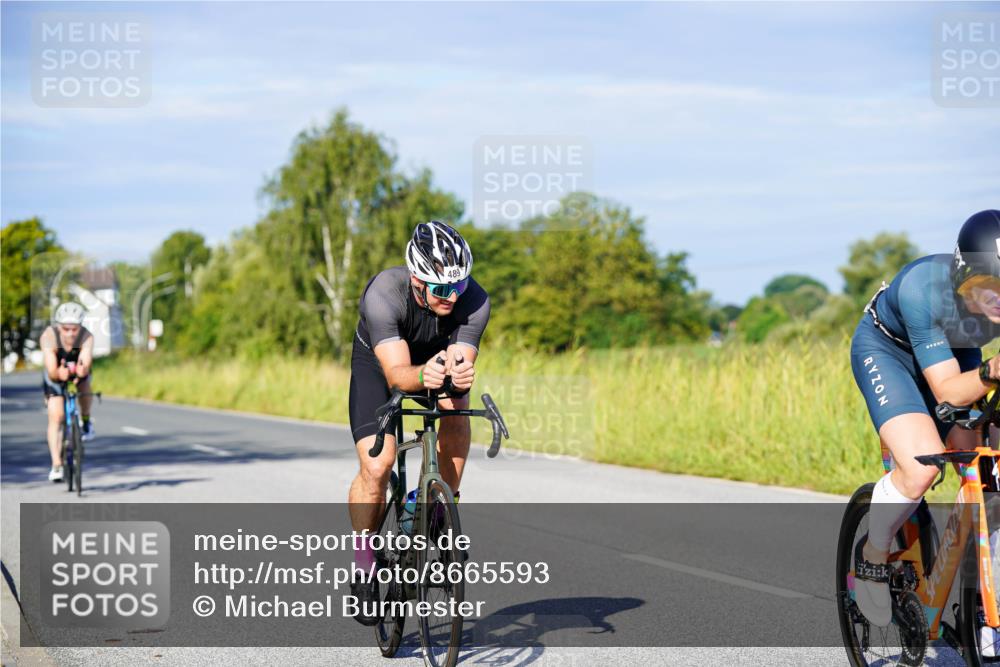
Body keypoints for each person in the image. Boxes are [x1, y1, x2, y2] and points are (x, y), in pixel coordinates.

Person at [850, 210, 1000, 628]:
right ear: (961, 275)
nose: (999, 298)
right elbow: (950, 391)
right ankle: (873, 553)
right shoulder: (924, 290)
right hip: (889, 352)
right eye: (986, 286)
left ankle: (985, 601)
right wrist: (992, 371)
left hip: (959, 352)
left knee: (984, 461)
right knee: (920, 467)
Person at [346, 220, 490, 625]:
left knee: (457, 411)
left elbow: (461, 359)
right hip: (382, 366)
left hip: (436, 360)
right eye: (442, 290)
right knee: (377, 465)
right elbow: (397, 375)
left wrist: (458, 375)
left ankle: (440, 507)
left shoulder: (474, 299)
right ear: (416, 279)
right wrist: (423, 374)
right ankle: (363, 560)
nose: (452, 297)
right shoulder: (383, 295)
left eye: (458, 287)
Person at [40, 302, 96, 482]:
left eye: (74, 329)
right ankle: (56, 464)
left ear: (80, 327)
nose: (71, 333)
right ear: (59, 327)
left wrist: (82, 369)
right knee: (56, 415)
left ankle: (86, 421)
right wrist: (58, 373)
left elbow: (86, 361)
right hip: (55, 373)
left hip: (76, 372)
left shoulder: (87, 336)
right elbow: (50, 369)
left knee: (86, 389)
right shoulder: (49, 337)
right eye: (66, 329)